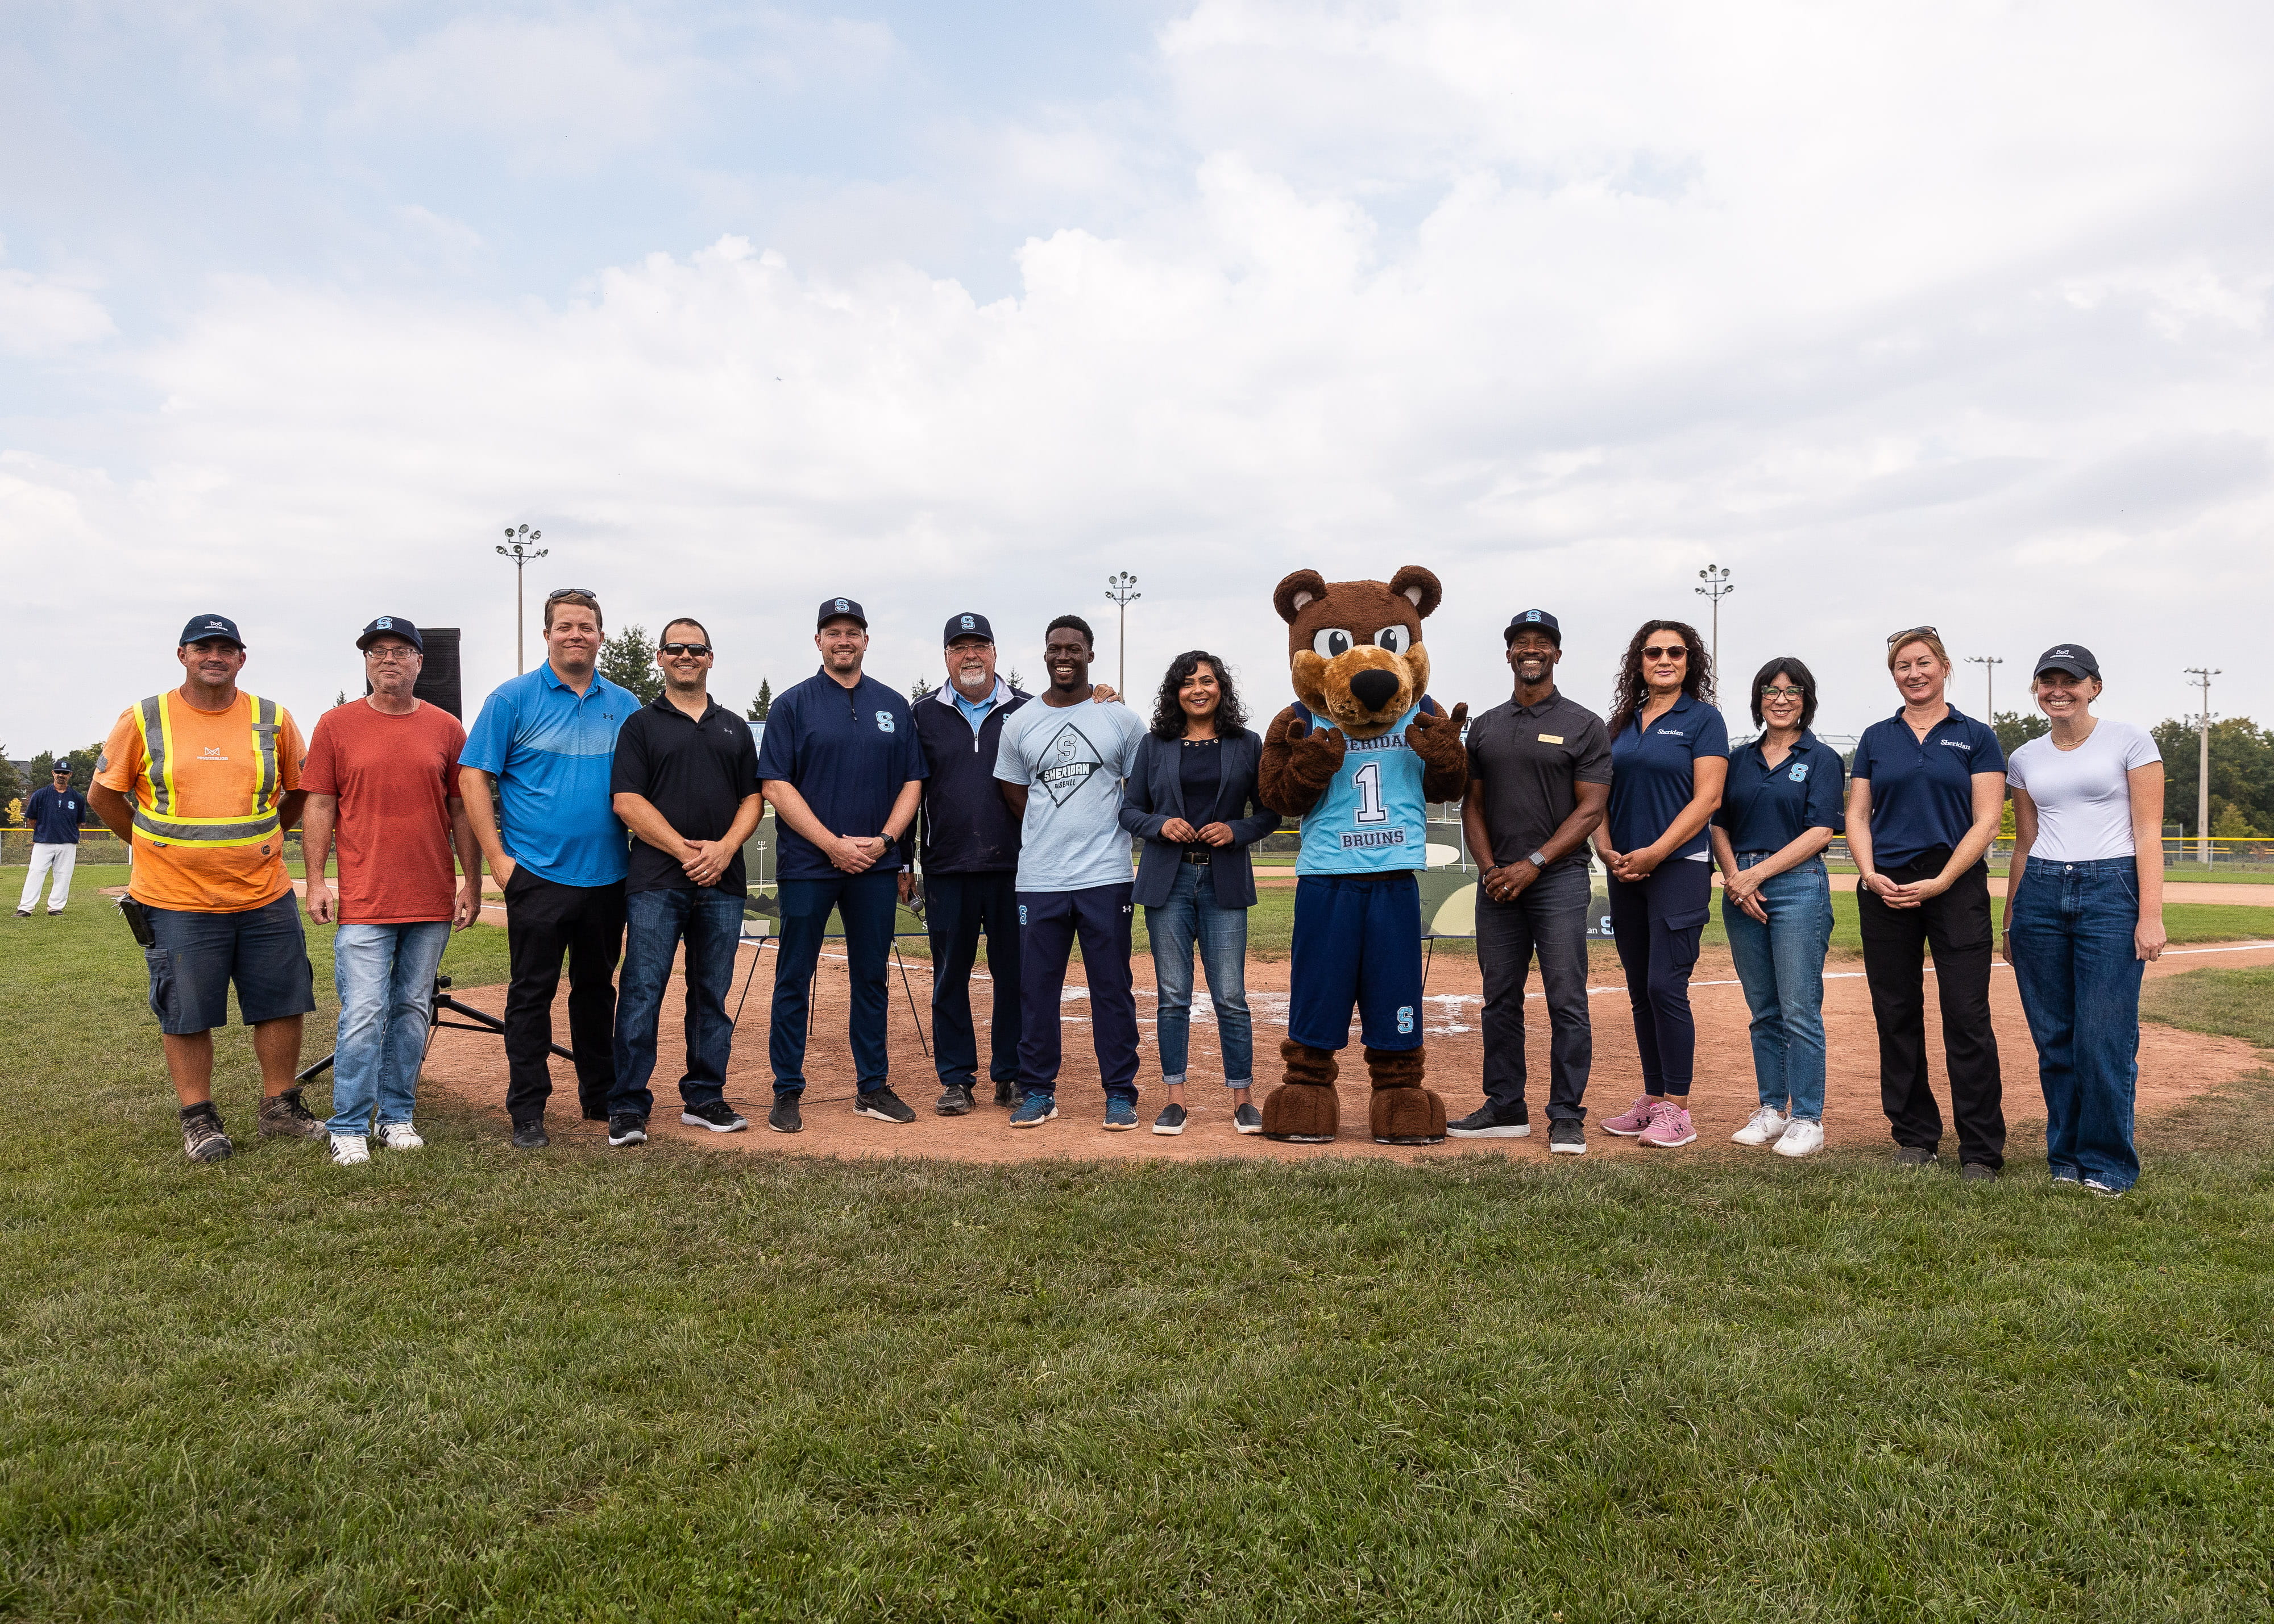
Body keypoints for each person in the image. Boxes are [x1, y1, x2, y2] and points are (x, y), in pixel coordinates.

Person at [89, 614, 321, 1162]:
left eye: (226, 647)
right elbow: (104, 794)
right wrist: (148, 845)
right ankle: (199, 1118)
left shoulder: (273, 718)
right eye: (203, 647)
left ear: (242, 658)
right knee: (186, 1008)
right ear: (182, 655)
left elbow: (303, 787)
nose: (214, 655)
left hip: (264, 892)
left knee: (282, 1001)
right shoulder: (144, 718)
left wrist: (268, 836)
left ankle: (279, 1107)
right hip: (175, 899)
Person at [301, 617, 484, 1166]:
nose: (389, 660)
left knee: (409, 1009)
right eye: (377, 651)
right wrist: (316, 880)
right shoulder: (336, 725)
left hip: (429, 898)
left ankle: (397, 1116)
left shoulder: (447, 728)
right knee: (363, 1011)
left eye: (401, 651)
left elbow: (460, 809)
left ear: (420, 663)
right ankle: (350, 1123)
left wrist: (471, 881)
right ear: (365, 662)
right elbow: (320, 804)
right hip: (364, 899)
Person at [460, 588, 635, 1150]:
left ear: (601, 636)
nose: (576, 635)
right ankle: (528, 1109)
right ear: (547, 636)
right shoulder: (512, 699)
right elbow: (472, 778)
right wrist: (499, 860)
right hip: (535, 876)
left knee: (594, 990)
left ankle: (599, 1095)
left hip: (608, 877)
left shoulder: (625, 704)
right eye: (565, 626)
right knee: (531, 993)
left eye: (586, 626)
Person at [757, 597, 927, 1135]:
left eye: (852, 631)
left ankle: (871, 1086)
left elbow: (912, 782)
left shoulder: (894, 705)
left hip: (876, 865)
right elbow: (776, 785)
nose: (843, 640)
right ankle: (787, 1089)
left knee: (870, 977)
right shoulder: (792, 705)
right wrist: (831, 843)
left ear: (866, 640)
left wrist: (884, 841)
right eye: (833, 632)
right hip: (810, 862)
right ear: (819, 642)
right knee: (794, 976)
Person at [2003, 644, 2165, 1197]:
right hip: (2040, 893)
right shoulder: (2024, 757)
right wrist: (2010, 921)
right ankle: (2065, 1158)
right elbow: (2024, 843)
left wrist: (2149, 915)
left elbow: (2147, 833)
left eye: (2069, 680)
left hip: (2110, 890)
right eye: (2046, 680)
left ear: (2093, 686)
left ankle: (2108, 1165)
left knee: (2103, 1038)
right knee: (2055, 1039)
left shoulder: (2129, 741)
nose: (2057, 689)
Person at [1846, 626, 2008, 1179]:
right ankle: (1915, 1136)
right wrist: (1868, 874)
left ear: (1943, 666)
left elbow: (1987, 819)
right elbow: (1856, 815)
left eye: (1923, 663)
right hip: (1886, 886)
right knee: (1896, 1014)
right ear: (1893, 674)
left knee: (1965, 1015)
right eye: (1901, 666)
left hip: (1955, 883)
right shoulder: (1875, 737)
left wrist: (1942, 880)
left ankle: (1981, 1150)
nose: (1913, 673)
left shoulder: (1976, 735)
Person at [1451, 609, 1611, 1153]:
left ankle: (1566, 1113)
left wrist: (1534, 863)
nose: (1532, 650)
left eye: (1542, 643)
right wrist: (1491, 868)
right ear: (1509, 654)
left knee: (1566, 997)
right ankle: (1505, 1104)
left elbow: (1591, 810)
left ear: (1558, 654)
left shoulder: (1584, 723)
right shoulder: (1488, 725)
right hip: (1497, 882)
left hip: (1558, 879)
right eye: (1522, 643)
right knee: (1499, 997)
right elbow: (1471, 804)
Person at [605, 618, 763, 1147]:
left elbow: (753, 799)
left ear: (711, 658)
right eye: (676, 648)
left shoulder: (734, 726)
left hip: (723, 881)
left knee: (711, 993)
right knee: (642, 990)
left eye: (697, 648)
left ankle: (705, 1096)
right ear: (660, 656)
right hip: (656, 880)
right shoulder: (641, 725)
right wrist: (684, 850)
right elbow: (627, 800)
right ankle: (628, 1104)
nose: (686, 655)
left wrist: (722, 850)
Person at [997, 615, 1148, 1131]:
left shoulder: (1121, 719)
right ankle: (1039, 1090)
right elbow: (1016, 793)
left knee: (1112, 988)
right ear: (1045, 654)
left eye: (1075, 648)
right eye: (1055, 648)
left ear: (1090, 653)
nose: (1064, 656)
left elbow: (1141, 787)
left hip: (1106, 875)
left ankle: (1120, 1093)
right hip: (1039, 879)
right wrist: (1051, 830)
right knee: (1036, 989)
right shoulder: (1019, 723)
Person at [1121, 651, 1278, 1135]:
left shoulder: (1246, 744)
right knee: (1172, 996)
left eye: (1207, 681)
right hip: (1168, 882)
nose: (1198, 689)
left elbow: (1269, 812)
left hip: (1223, 880)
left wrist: (1236, 830)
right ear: (1176, 692)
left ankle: (1243, 1099)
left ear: (1221, 688)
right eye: (1188, 683)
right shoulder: (1155, 744)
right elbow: (1128, 811)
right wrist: (1160, 824)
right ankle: (1175, 1100)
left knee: (1230, 995)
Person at [1594, 620, 1728, 1150]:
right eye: (1654, 652)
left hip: (1679, 867)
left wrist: (1656, 852)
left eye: (1676, 652)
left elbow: (1708, 800)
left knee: (1665, 986)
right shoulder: (1622, 722)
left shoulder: (1704, 720)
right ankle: (1653, 1101)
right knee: (1639, 990)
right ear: (1639, 662)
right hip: (1624, 868)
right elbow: (1598, 794)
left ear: (1690, 661)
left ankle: (1679, 1109)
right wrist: (1605, 848)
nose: (1664, 659)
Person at [1709, 657, 1844, 1158]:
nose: (1781, 698)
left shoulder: (1823, 757)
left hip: (1796, 886)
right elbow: (1717, 822)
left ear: (1806, 698)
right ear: (1758, 698)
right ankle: (1772, 1109)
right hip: (1740, 885)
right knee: (1763, 1010)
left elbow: (1820, 832)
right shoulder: (1738, 758)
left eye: (1792, 690)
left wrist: (1756, 876)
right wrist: (1735, 879)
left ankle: (1808, 1117)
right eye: (1771, 690)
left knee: (1799, 1010)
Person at [904, 612, 1032, 1115]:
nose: (970, 655)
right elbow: (908, 793)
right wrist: (903, 863)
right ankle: (956, 1078)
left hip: (1017, 869)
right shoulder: (922, 715)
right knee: (949, 975)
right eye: (960, 647)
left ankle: (1013, 1074)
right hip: (946, 867)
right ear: (946, 657)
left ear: (996, 652)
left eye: (979, 645)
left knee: (1016, 975)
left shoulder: (1028, 710)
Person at [17, 762, 94, 917]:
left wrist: (66, 832)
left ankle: (56, 907)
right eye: (58, 772)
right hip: (44, 842)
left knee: (64, 875)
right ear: (53, 773)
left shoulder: (77, 798)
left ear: (70, 775)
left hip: (67, 843)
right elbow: (31, 819)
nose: (61, 775)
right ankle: (25, 908)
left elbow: (79, 822)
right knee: (36, 872)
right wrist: (43, 831)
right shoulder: (40, 794)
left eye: (65, 773)